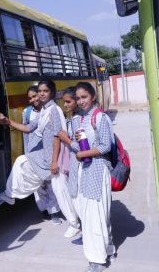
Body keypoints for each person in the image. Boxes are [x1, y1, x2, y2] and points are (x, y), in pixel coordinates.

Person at [0, 79, 80, 238]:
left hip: (54, 158)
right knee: (22, 163)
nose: (41, 94)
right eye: (40, 91)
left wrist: (54, 161)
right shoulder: (44, 111)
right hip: (46, 156)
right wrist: (8, 121)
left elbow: (57, 136)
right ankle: (11, 194)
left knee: (63, 193)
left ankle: (74, 223)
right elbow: (28, 128)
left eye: (45, 91)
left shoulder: (53, 110)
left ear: (52, 92)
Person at [70, 82, 116, 272]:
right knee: (91, 215)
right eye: (78, 98)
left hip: (98, 169)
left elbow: (106, 146)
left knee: (96, 216)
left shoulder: (100, 118)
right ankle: (108, 249)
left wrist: (84, 153)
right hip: (83, 171)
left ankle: (97, 261)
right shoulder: (76, 120)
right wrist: (77, 146)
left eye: (84, 97)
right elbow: (73, 144)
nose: (81, 101)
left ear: (93, 97)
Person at [23, 85, 61, 225]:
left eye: (35, 95)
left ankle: (54, 211)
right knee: (38, 185)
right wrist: (27, 152)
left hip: (48, 153)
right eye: (30, 97)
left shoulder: (49, 111)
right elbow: (26, 133)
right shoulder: (27, 113)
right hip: (33, 153)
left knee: (51, 184)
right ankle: (44, 209)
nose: (33, 99)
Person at [58, 86, 84, 244]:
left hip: (80, 165)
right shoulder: (74, 117)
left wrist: (65, 138)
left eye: (68, 102)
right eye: (64, 102)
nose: (65, 105)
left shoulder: (78, 120)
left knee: (79, 200)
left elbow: (81, 146)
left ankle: (87, 234)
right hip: (75, 165)